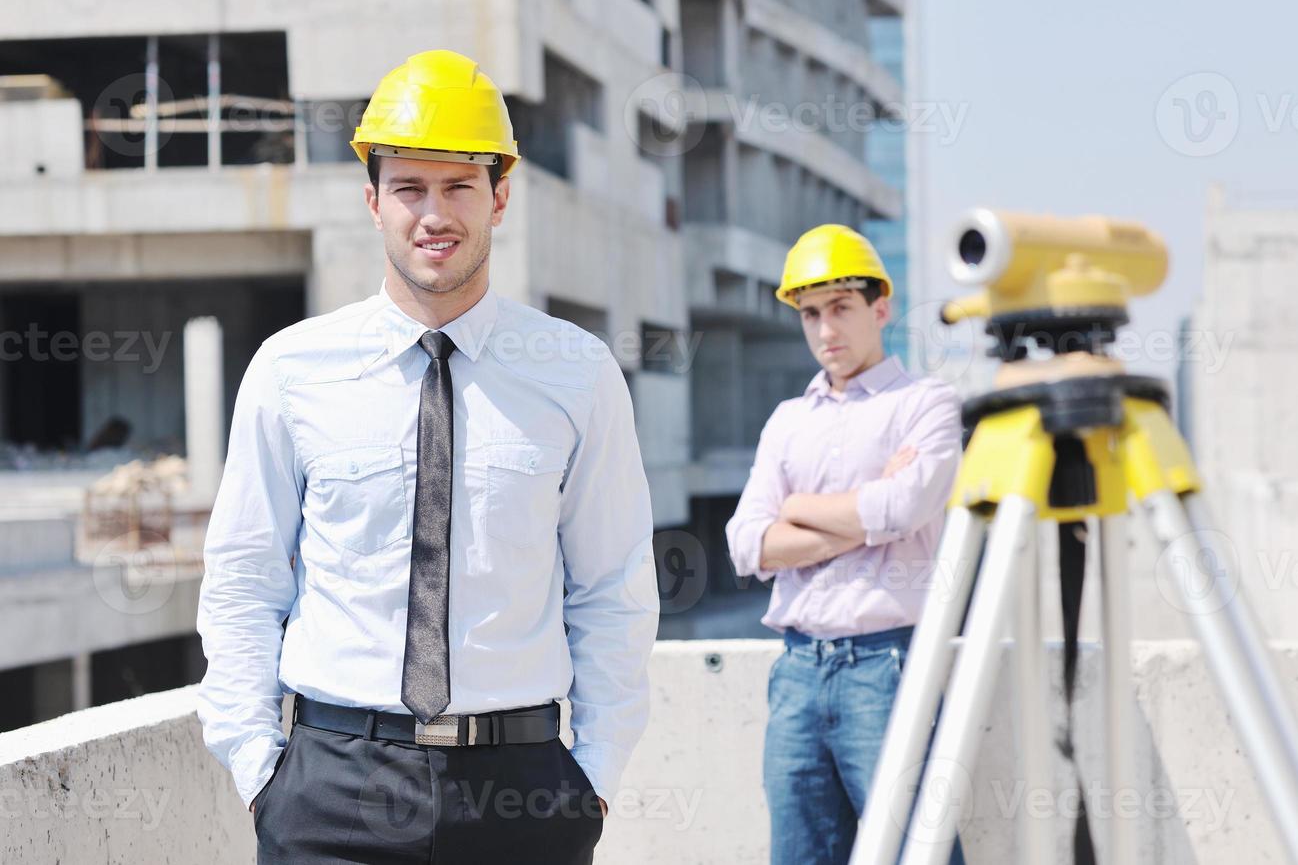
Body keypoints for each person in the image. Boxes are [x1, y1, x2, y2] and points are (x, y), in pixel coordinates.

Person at [196, 49, 658, 864]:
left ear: (500, 196)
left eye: (458, 187)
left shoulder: (578, 373)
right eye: (409, 187)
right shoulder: (290, 370)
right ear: (373, 200)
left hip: (523, 792)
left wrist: (595, 777)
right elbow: (243, 578)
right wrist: (259, 771)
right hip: (330, 789)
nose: (433, 214)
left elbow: (613, 589)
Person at [726, 224, 966, 865]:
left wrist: (797, 513)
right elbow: (747, 543)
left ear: (880, 307)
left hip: (886, 667)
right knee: (799, 855)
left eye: (840, 308)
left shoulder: (927, 404)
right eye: (810, 314)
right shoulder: (788, 420)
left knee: (919, 851)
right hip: (797, 670)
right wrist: (859, 517)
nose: (825, 330)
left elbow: (904, 506)